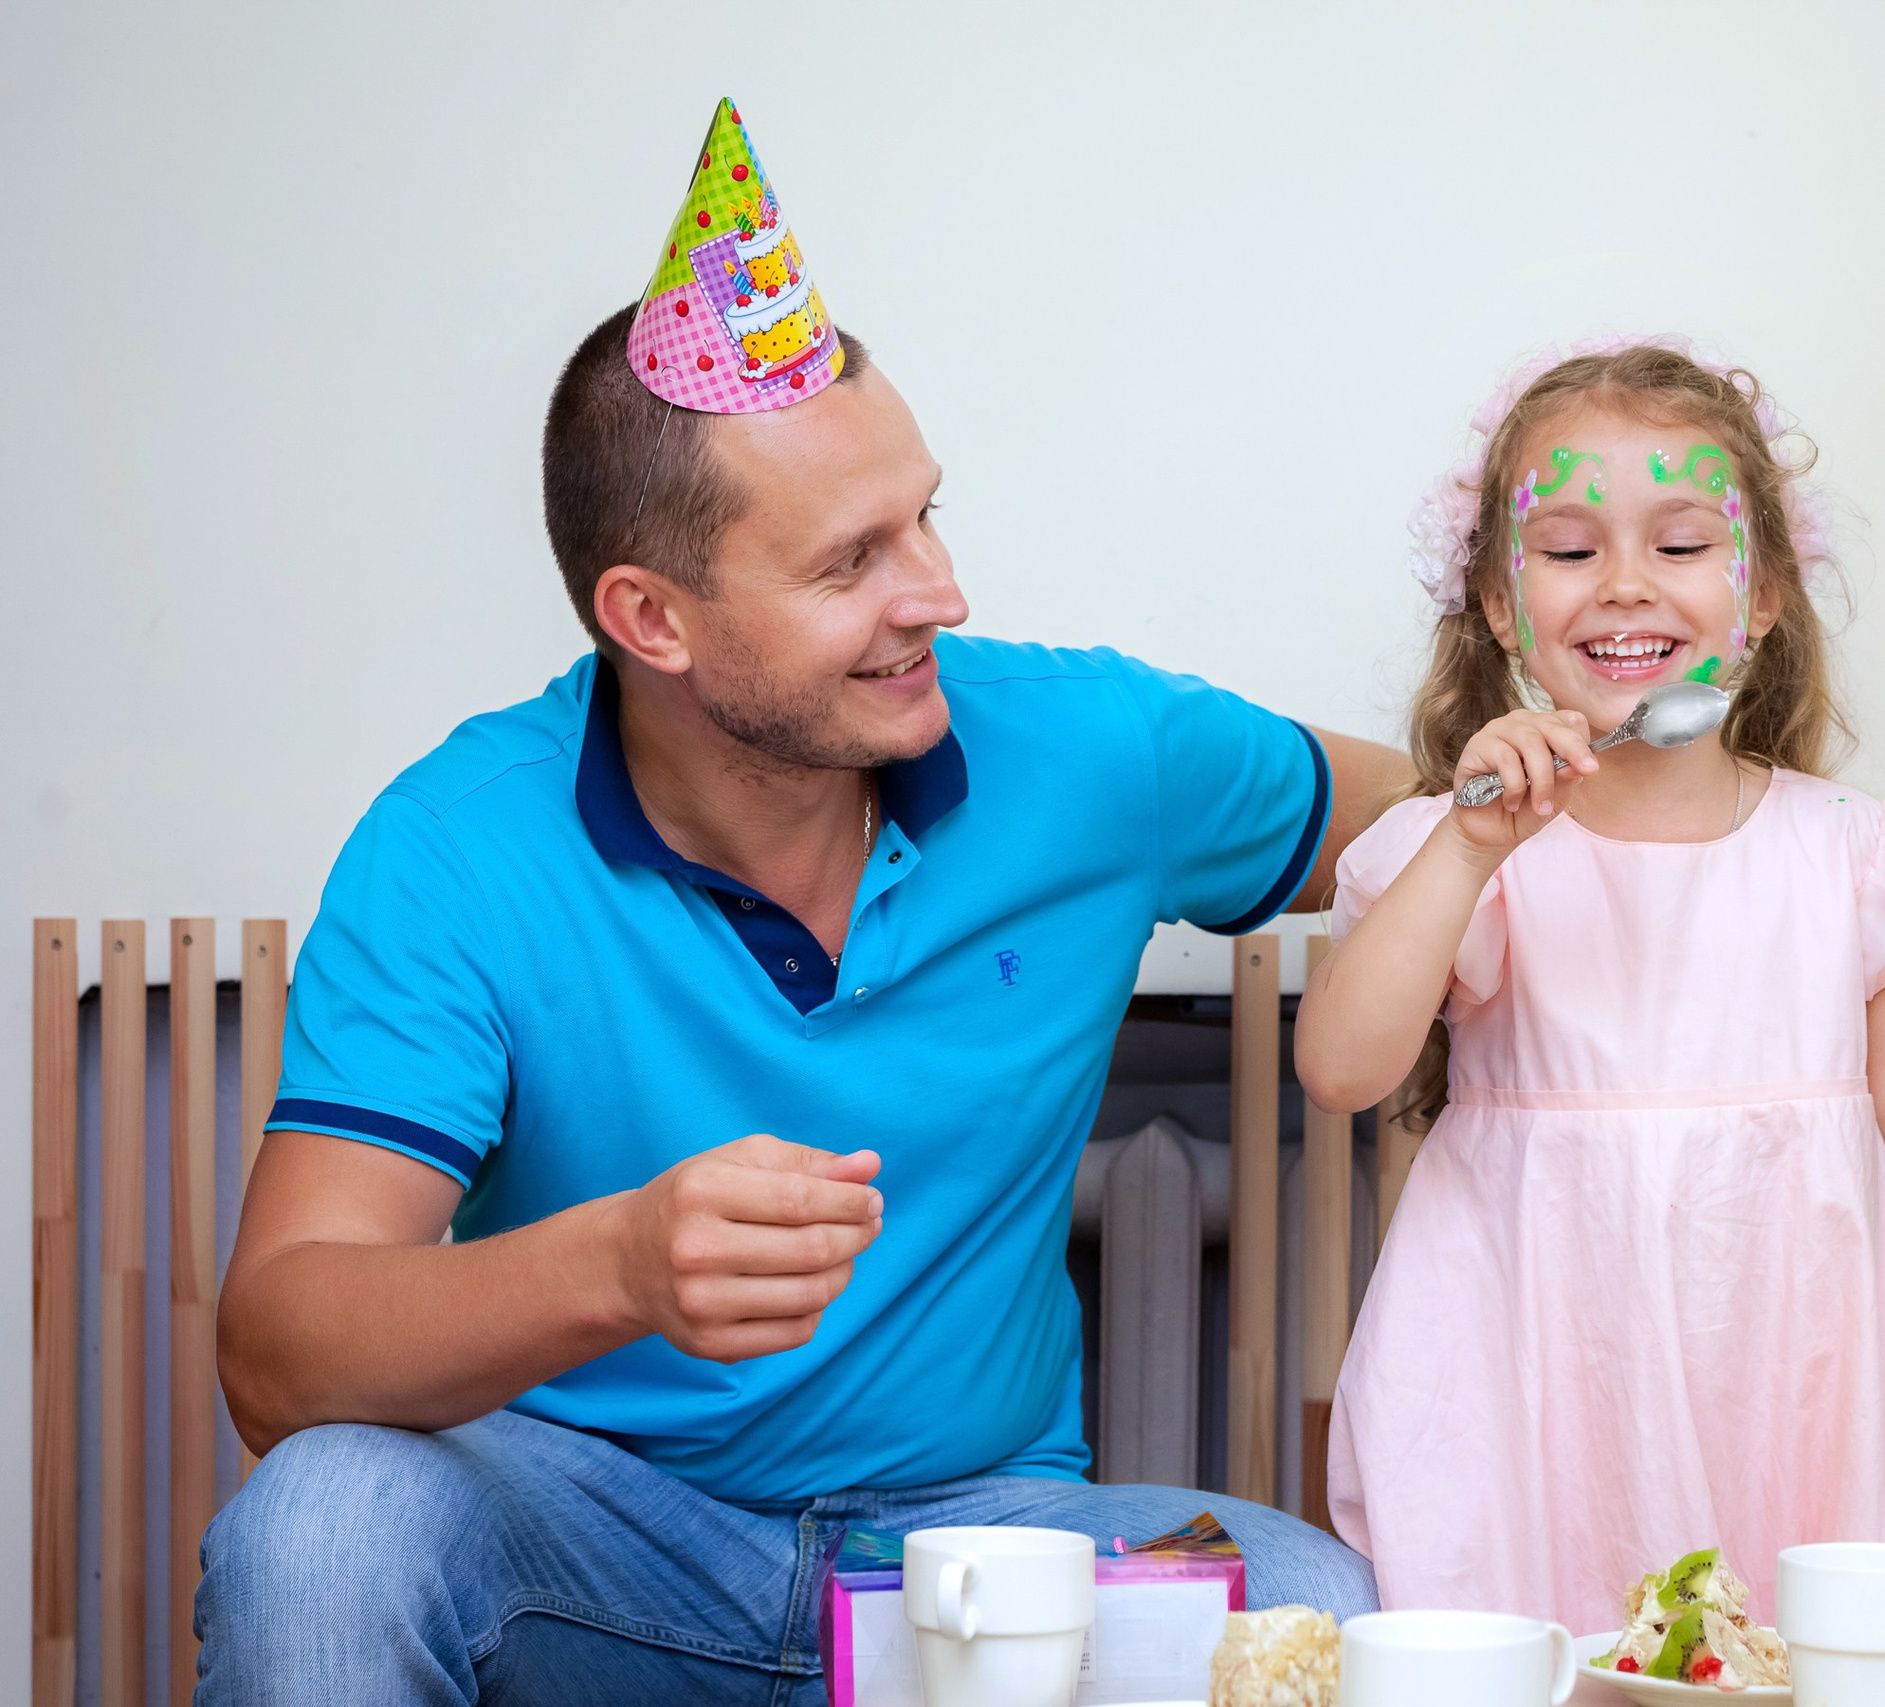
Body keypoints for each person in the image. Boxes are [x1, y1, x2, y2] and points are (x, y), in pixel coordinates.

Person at [198, 101, 1403, 1706]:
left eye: (926, 514)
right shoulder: (455, 851)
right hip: (595, 1547)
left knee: (1313, 1594)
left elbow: (1434, 810)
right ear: (655, 617)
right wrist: (620, 1268)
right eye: (851, 564)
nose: (940, 592)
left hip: (982, 1550)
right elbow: (279, 1348)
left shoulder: (1092, 750)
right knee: (326, 1523)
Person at [1294, 339, 1885, 1678]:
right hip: (1542, 1389)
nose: (1623, 583)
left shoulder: (1852, 854)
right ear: (1500, 607)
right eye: (1567, 551)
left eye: (1681, 545)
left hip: (1801, 1388)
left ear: (1766, 593)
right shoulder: (1467, 853)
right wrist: (1470, 845)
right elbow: (1342, 1070)